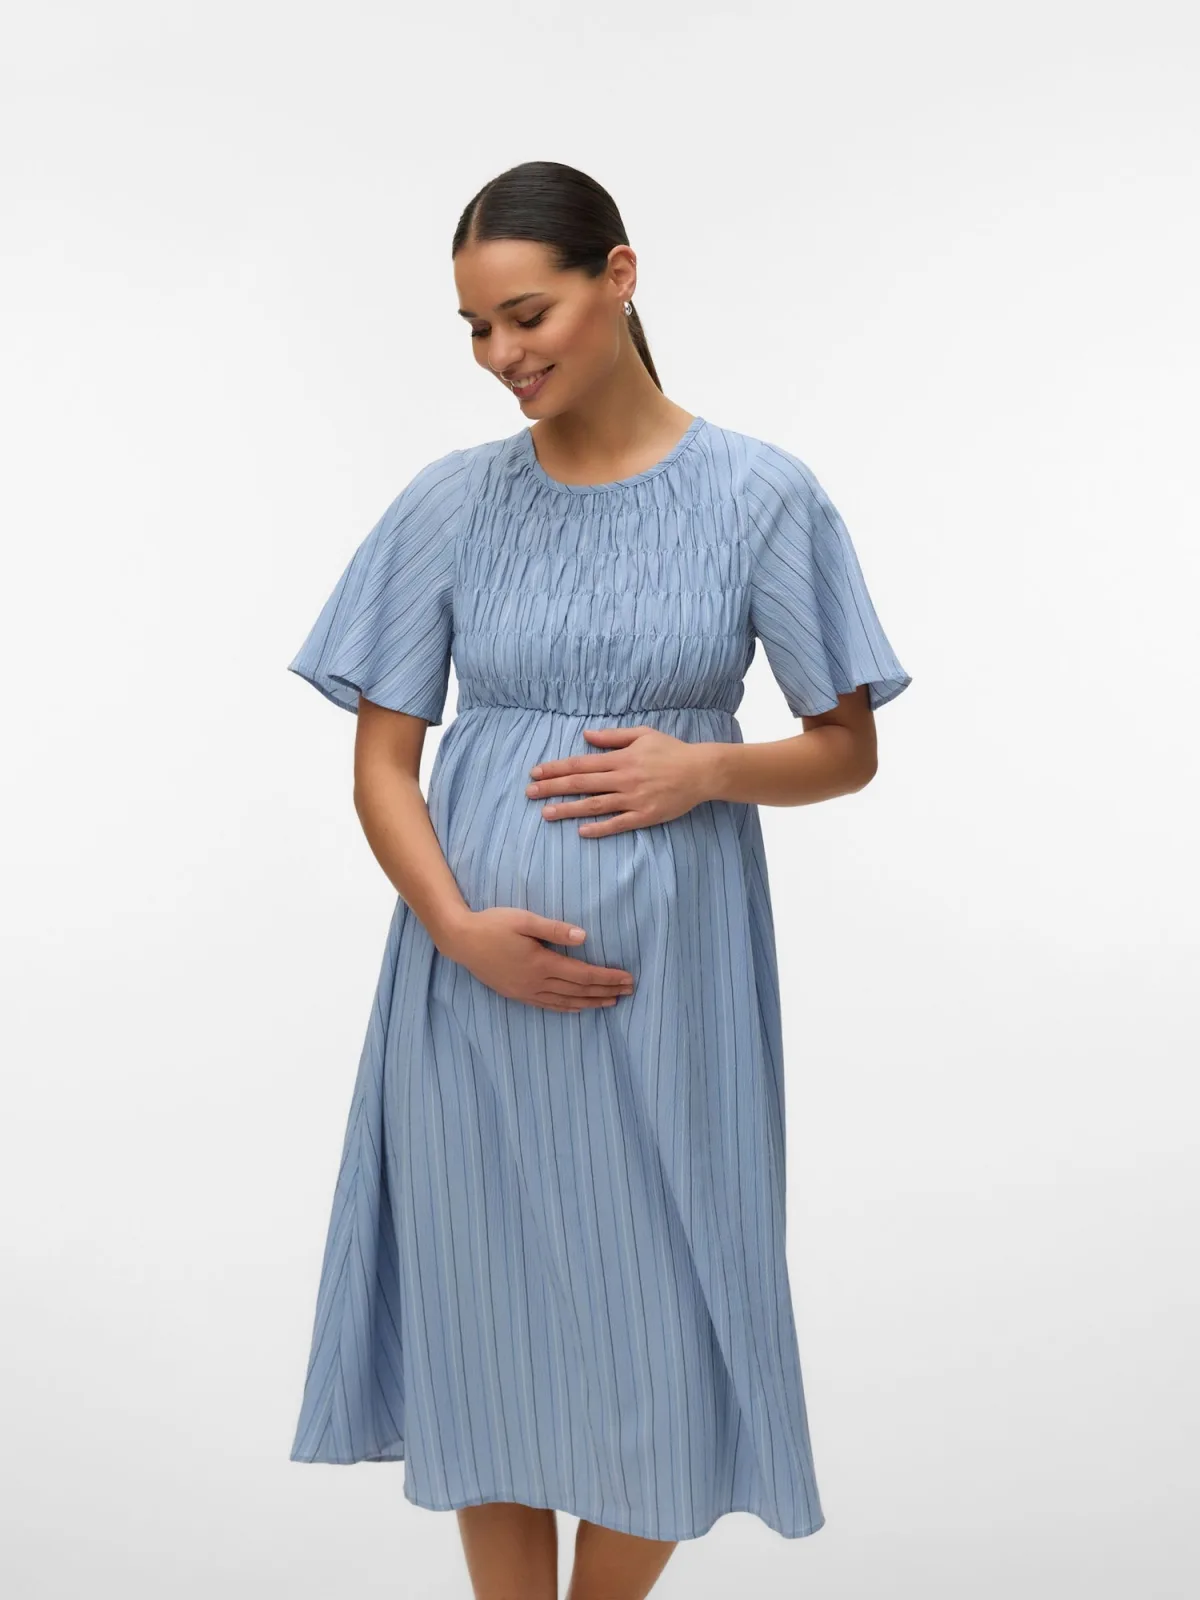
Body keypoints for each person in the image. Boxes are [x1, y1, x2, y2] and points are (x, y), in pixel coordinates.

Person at [285, 159, 912, 1600]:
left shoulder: (760, 495)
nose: (503, 355)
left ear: (618, 278)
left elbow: (847, 751)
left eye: (528, 315)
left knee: (674, 1318)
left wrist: (708, 770)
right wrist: (457, 929)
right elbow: (383, 767)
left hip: (673, 990)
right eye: (476, 329)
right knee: (485, 1324)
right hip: (467, 996)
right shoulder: (450, 504)